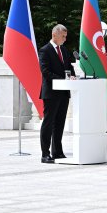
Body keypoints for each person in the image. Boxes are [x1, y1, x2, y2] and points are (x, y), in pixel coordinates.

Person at [38, 24, 75, 163]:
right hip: (51, 93)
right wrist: (62, 79)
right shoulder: (45, 50)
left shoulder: (64, 50)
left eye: (65, 36)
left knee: (59, 123)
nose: (65, 39)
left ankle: (57, 152)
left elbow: (69, 67)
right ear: (54, 35)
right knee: (48, 123)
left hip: (64, 92)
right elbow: (45, 71)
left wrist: (72, 76)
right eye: (63, 36)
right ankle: (45, 154)